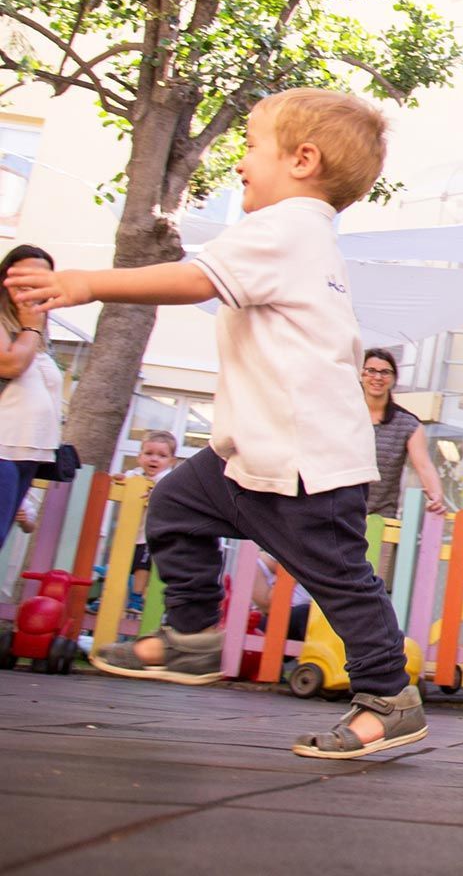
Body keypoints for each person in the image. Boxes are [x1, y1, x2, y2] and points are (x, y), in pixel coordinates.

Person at [9, 88, 425, 760]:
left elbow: (194, 281)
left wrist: (88, 283)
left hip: (300, 460)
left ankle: (388, 698)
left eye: (251, 148)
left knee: (340, 580)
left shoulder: (285, 226)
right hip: (252, 453)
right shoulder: (305, 235)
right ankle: (197, 633)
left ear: (302, 160)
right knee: (174, 502)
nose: (238, 165)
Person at [0, 244, 61, 554]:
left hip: (25, 452)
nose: (32, 286)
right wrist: (30, 325)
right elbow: (9, 364)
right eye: (22, 278)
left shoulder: (38, 333)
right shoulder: (16, 324)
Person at [361, 347, 446, 521]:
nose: (377, 377)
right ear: (360, 375)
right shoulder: (343, 415)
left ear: (394, 379)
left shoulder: (408, 424)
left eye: (385, 372)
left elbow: (424, 465)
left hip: (381, 518)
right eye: (370, 371)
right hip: (338, 513)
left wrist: (436, 495)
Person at [124, 431, 178, 610]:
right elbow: (125, 480)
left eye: (162, 456)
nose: (154, 459)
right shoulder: (135, 476)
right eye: (149, 454)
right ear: (139, 457)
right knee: (123, 564)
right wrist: (120, 480)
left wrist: (155, 494)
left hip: (150, 534)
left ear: (171, 461)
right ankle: (111, 595)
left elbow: (168, 494)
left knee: (142, 566)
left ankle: (136, 597)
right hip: (129, 532)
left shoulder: (167, 481)